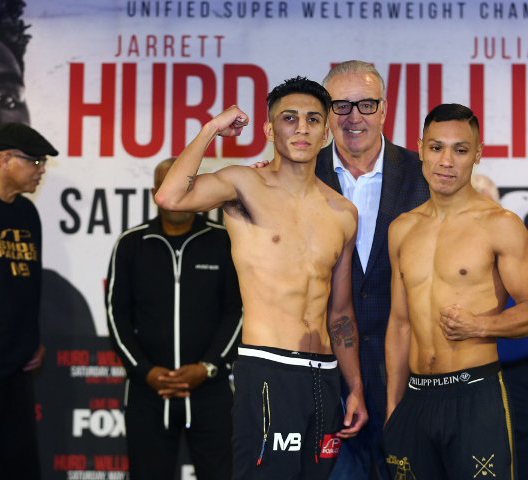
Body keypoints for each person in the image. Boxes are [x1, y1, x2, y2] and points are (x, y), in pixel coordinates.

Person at [154, 76, 368, 479]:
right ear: (270, 130)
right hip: (269, 368)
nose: (301, 128)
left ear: (326, 133)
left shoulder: (343, 212)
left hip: (324, 376)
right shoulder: (244, 184)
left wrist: (354, 386)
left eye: (313, 119)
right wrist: (211, 129)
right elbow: (170, 197)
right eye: (289, 118)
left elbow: (340, 313)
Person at [383, 104, 528, 478]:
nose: (446, 161)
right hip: (416, 398)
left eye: (460, 150)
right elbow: (400, 324)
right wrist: (394, 404)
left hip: (475, 395)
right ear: (420, 148)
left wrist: (479, 326)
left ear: (477, 153)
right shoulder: (402, 229)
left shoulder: (501, 225)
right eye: (436, 147)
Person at [315, 60, 430, 480]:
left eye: (366, 104)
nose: (354, 117)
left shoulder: (426, 174)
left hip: (411, 374)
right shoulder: (298, 175)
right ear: (326, 113)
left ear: (384, 108)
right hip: (326, 378)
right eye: (341, 105)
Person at [105, 157, 243, 480]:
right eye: (169, 185)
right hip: (148, 392)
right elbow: (116, 313)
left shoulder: (223, 241)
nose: (178, 193)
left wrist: (207, 367)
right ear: (155, 192)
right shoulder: (132, 244)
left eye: (187, 185)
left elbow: (238, 310)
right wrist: (145, 371)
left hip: (211, 390)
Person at [471, 173, 528, 480]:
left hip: (518, 375)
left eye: (490, 208)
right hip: (467, 376)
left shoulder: (522, 243)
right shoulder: (447, 250)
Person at [0, 122, 58, 480]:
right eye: (35, 161)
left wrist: (32, 338)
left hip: (18, 364)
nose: (41, 170)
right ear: (4, 159)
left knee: (18, 465)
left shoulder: (26, 213)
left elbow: (28, 281)